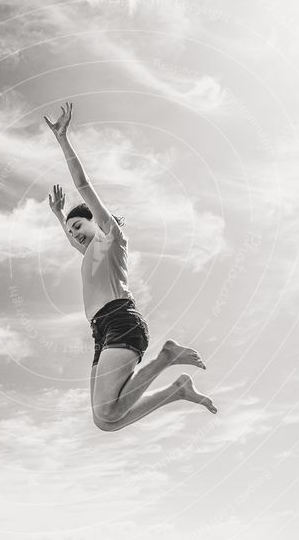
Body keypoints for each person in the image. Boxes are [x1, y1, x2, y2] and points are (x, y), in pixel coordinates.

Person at [44, 102, 217, 432]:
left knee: (108, 415)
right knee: (105, 421)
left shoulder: (111, 238)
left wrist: (63, 139)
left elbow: (82, 185)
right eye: (70, 231)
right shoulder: (90, 255)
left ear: (95, 221)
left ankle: (166, 357)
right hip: (101, 330)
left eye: (78, 226)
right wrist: (58, 216)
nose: (74, 234)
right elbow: (71, 241)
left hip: (121, 320)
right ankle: (177, 390)